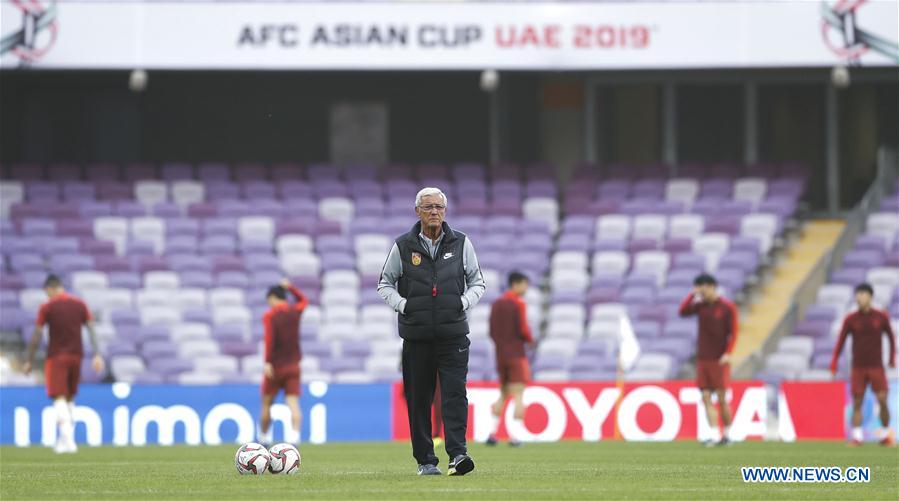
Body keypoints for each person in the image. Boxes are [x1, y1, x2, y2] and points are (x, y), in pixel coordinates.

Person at [378, 187, 486, 476]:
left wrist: (463, 302)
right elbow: (384, 284)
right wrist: (404, 306)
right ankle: (425, 460)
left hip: (453, 335)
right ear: (417, 211)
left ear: (445, 211)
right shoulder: (402, 246)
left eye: (438, 206)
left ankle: (458, 455)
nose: (434, 212)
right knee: (419, 399)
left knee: (455, 395)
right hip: (417, 336)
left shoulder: (462, 243)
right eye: (428, 207)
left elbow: (478, 282)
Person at [22, 274, 104, 454]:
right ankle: (63, 440)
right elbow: (91, 328)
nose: (47, 296)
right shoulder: (80, 304)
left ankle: (69, 440)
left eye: (47, 292)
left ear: (51, 289)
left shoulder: (47, 307)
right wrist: (97, 354)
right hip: (77, 356)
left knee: (58, 397)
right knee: (69, 398)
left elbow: (36, 334)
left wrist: (28, 360)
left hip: (56, 357)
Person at [829, 282, 896, 446]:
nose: (860, 297)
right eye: (858, 294)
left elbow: (891, 338)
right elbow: (841, 341)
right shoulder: (851, 319)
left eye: (863, 294)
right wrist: (834, 362)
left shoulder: (880, 317)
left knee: (882, 399)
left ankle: (886, 434)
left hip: (876, 366)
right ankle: (857, 436)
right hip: (858, 367)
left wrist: (892, 359)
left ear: (870, 297)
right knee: (857, 401)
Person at [678, 273, 738, 447]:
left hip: (719, 359)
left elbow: (733, 332)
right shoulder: (700, 306)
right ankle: (713, 434)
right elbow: (682, 311)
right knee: (705, 397)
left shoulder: (727, 307)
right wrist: (692, 294)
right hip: (703, 358)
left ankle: (728, 434)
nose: (701, 292)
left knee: (721, 397)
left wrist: (728, 352)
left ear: (711, 286)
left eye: (702, 288)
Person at [486, 271, 534, 447]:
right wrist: (530, 341)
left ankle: (492, 433)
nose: (526, 288)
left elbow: (491, 330)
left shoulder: (497, 304)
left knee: (503, 393)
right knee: (519, 394)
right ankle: (516, 436)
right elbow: (523, 329)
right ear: (516, 284)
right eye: (524, 284)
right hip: (516, 354)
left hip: (500, 355)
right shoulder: (518, 303)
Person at [259, 278, 309, 448]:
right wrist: (292, 288)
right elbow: (304, 301)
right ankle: (295, 438)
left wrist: (267, 362)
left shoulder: (270, 316)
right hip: (293, 365)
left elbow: (269, 340)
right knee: (293, 403)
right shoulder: (294, 311)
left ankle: (264, 438)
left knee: (267, 403)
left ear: (273, 298)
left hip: (274, 366)